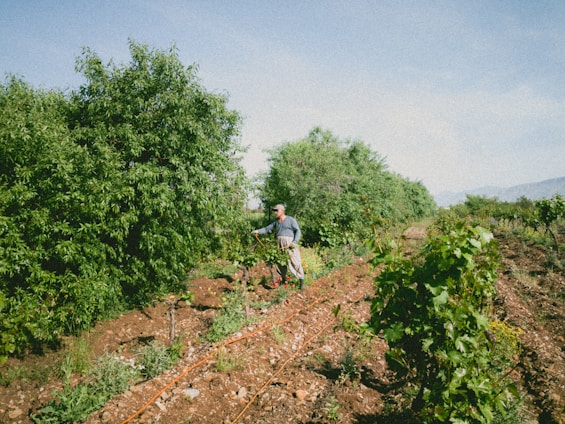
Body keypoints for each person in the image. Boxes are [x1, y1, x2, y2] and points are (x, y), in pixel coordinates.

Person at [252, 204, 306, 289]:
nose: (275, 213)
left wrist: (294, 242)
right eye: (274, 211)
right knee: (280, 263)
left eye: (277, 210)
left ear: (282, 211)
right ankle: (283, 280)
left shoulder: (290, 220)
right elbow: (266, 229)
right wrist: (258, 231)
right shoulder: (276, 223)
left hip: (290, 244)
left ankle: (302, 282)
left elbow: (298, 230)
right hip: (279, 244)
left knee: (295, 261)